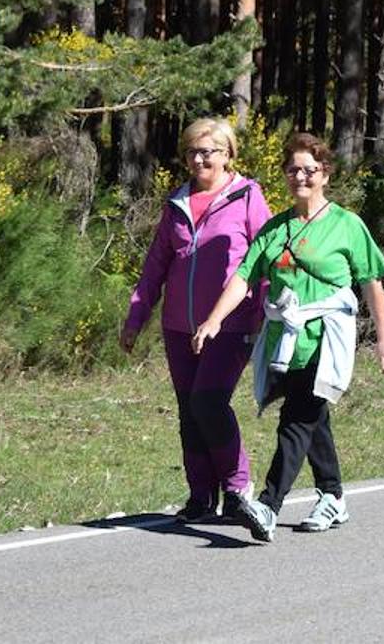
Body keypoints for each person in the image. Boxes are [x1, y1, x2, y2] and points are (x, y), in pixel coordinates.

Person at [191, 133, 384, 541]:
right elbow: (244, 277)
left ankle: (268, 505)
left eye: (308, 169)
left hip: (328, 334)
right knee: (312, 416)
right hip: (288, 339)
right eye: (292, 170)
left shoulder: (346, 225)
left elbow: (372, 284)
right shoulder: (275, 229)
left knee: (297, 416)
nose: (300, 177)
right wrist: (215, 319)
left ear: (324, 173)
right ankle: (333, 495)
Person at [120, 118, 273, 522]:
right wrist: (138, 314)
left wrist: (261, 313)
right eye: (193, 151)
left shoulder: (247, 196)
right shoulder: (177, 202)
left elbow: (268, 258)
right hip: (178, 325)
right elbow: (156, 265)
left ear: (228, 155)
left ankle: (237, 488)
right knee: (190, 409)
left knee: (209, 401)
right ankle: (201, 496)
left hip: (231, 322)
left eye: (210, 151)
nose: (200, 158)